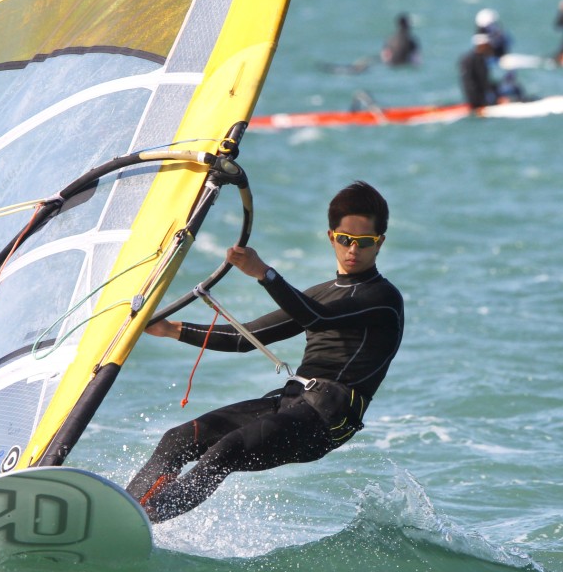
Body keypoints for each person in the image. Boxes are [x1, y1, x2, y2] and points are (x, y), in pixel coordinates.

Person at [126, 181, 405, 523]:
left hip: (326, 420)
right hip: (290, 402)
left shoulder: (382, 299)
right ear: (331, 236)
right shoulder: (320, 293)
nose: (353, 250)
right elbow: (247, 337)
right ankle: (124, 509)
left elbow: (317, 317)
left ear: (380, 244)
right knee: (178, 439)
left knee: (225, 451)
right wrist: (172, 330)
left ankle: (142, 518)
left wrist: (265, 274)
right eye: (345, 239)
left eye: (365, 243)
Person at [459, 33, 500, 110]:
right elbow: (483, 80)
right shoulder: (478, 59)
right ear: (482, 45)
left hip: (470, 96)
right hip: (478, 99)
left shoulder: (467, 58)